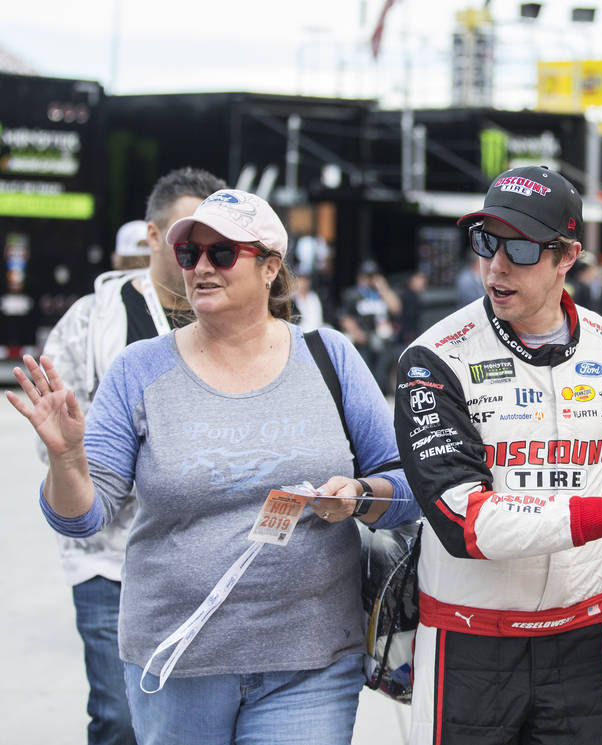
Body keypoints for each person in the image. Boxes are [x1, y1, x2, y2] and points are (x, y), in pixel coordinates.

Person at [10, 188, 418, 745]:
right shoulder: (139, 369)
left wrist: (358, 495)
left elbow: (406, 486)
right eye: (189, 255)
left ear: (270, 267)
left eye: (221, 253)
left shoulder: (330, 357)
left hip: (311, 660)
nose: (201, 267)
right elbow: (81, 519)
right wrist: (66, 459)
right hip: (176, 661)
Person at [393, 165, 602, 745]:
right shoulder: (433, 359)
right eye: (485, 242)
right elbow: (464, 522)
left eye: (522, 248)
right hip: (469, 642)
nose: (497, 265)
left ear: (567, 256)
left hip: (582, 639)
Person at [35, 167, 224, 745]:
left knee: (188, 723)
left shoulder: (235, 319)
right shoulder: (92, 322)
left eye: (213, 244)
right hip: (107, 554)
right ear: (151, 236)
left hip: (204, 553)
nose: (198, 257)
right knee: (119, 717)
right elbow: (57, 441)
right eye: (183, 241)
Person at [338, 258, 401, 394]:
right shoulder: (353, 294)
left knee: (381, 374)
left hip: (382, 339)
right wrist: (357, 333)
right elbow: (345, 317)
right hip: (363, 340)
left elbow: (396, 308)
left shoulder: (381, 293)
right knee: (364, 372)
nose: (370, 279)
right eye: (367, 276)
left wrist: (383, 288)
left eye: (373, 276)